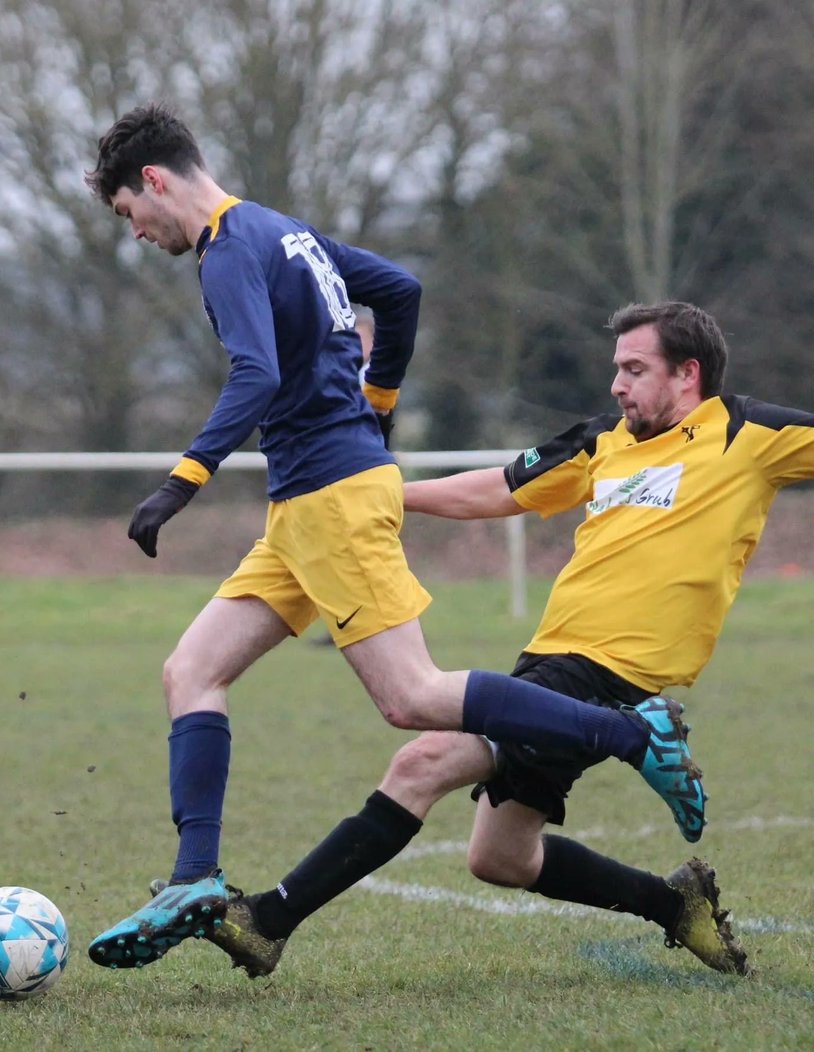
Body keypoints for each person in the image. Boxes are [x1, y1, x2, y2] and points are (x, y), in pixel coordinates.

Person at [169, 279, 814, 980]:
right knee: (501, 858)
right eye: (616, 367)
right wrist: (381, 495)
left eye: (634, 369)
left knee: (422, 760)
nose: (617, 382)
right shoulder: (598, 443)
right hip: (550, 668)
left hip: (615, 675)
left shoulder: (747, 435)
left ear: (689, 375)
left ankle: (267, 923)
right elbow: (497, 491)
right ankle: (674, 906)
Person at [81, 103, 704, 970]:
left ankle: (636, 735)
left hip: (331, 498)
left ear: (153, 181)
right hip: (310, 502)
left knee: (410, 696)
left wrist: (181, 481)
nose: (136, 233)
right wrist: (377, 407)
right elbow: (399, 293)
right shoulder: (282, 231)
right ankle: (195, 878)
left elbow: (256, 371)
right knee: (192, 670)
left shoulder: (229, 250)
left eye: (126, 214)